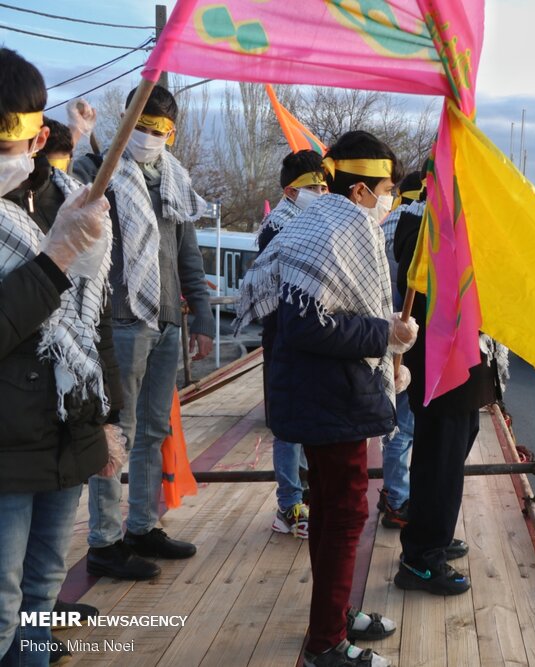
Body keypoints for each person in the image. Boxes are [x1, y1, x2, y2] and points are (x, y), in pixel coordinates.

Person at [236, 130, 415, 667]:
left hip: (325, 395)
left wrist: (381, 342)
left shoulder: (321, 220)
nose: (389, 199)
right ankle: (325, 643)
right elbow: (310, 326)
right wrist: (383, 336)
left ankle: (333, 616)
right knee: (344, 514)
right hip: (327, 398)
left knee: (334, 511)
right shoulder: (340, 228)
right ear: (360, 189)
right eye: (385, 188)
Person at [0, 48, 123, 667]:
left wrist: (106, 418)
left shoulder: (68, 200)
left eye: (5, 144)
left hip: (63, 428)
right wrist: (53, 261)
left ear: (37, 135)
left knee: (43, 590)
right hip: (4, 441)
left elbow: (92, 319)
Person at [75, 84, 214, 581]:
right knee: (117, 431)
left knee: (154, 430)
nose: (151, 137)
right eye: (143, 127)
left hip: (166, 323)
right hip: (120, 322)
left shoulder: (177, 181)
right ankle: (104, 542)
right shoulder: (100, 170)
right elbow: (77, 206)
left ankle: (142, 525)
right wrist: (83, 142)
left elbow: (187, 255)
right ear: (127, 123)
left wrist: (200, 314)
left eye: (161, 130)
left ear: (172, 133)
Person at [393, 186, 502, 596]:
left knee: (446, 460)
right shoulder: (428, 226)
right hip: (445, 366)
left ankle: (432, 537)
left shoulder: (439, 222)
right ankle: (421, 559)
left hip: (459, 366)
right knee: (439, 464)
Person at [255, 149, 329, 540]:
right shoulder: (277, 227)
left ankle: (307, 497)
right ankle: (288, 505)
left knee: (308, 422)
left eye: (323, 185)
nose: (319, 191)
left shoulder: (316, 223)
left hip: (310, 338)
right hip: (284, 339)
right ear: (289, 191)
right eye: (311, 187)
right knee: (287, 427)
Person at [375, 170, 423, 530]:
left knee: (399, 422)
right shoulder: (412, 226)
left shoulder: (385, 222)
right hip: (403, 332)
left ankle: (394, 494)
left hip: (385, 332)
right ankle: (397, 499)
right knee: (404, 425)